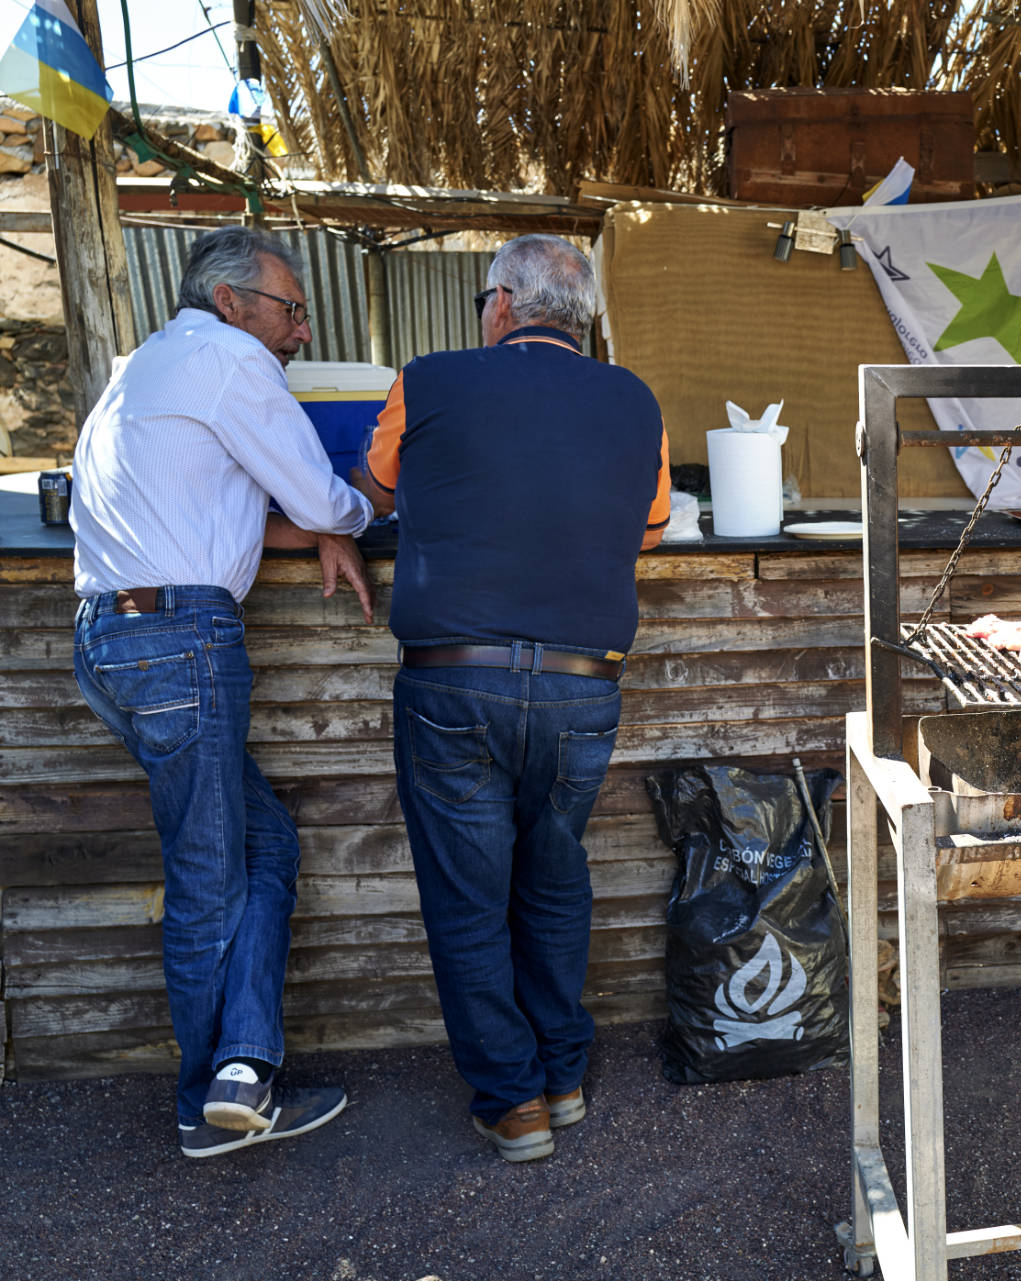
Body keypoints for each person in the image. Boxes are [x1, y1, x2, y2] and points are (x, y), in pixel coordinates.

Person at [353, 234, 670, 1163]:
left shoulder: (429, 378)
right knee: (554, 876)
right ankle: (563, 1076)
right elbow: (647, 528)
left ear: (500, 306)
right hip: (583, 688)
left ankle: (513, 1101)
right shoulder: (635, 398)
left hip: (455, 679)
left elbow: (372, 494)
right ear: (585, 320)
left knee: (468, 897)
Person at [70, 226, 376, 1158]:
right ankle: (208, 1102)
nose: (300, 327)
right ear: (234, 302)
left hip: (114, 641)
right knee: (208, 878)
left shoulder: (148, 366)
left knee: (263, 843)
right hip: (180, 642)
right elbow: (324, 500)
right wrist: (356, 516)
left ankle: (241, 1068)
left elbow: (215, 507)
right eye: (290, 307)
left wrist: (305, 529)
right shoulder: (234, 359)